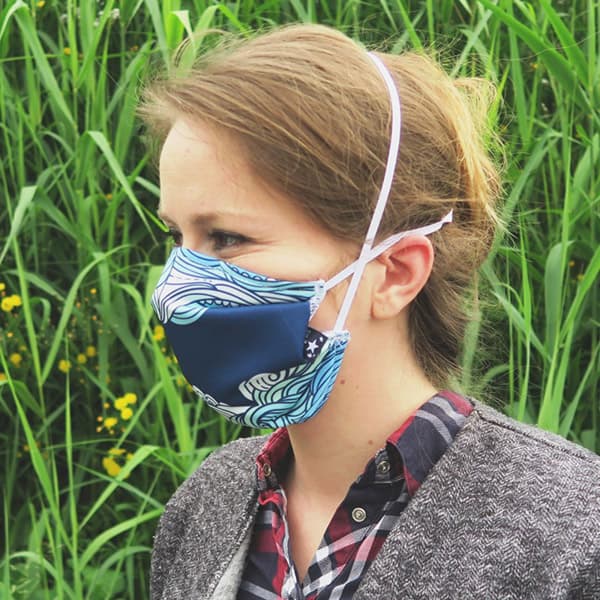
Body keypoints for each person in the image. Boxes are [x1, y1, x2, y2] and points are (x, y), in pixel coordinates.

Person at [138, 23, 600, 600]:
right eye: (178, 237)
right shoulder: (207, 502)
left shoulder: (573, 534)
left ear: (397, 273)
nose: (176, 287)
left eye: (227, 237)